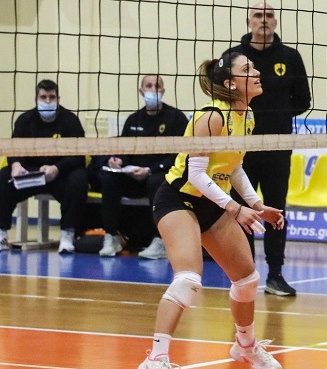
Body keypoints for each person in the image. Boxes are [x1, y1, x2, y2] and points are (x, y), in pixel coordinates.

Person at [137, 51, 285, 369]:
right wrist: (235, 208)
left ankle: (245, 346)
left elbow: (234, 166)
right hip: (179, 200)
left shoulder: (247, 116)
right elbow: (196, 174)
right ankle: (155, 358)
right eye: (247, 69)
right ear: (230, 83)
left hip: (212, 204)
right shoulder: (211, 117)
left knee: (247, 280)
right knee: (188, 280)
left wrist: (256, 204)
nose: (256, 72)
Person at [229, 2, 311, 297]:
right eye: (258, 15)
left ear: (275, 21)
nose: (264, 20)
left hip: (278, 146)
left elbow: (303, 101)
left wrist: (276, 115)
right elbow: (224, 96)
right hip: (242, 148)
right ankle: (245, 273)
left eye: (269, 15)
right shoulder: (233, 57)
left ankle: (275, 275)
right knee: (243, 209)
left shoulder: (290, 57)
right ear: (248, 21)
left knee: (276, 208)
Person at [96, 74, 189, 258]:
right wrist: (118, 160)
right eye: (149, 86)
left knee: (157, 181)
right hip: (134, 175)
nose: (153, 90)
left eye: (157, 86)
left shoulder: (176, 118)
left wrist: (151, 170)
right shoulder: (133, 119)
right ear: (141, 91)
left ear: (163, 90)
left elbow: (181, 154)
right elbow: (124, 150)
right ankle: (112, 236)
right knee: (108, 178)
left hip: (161, 173)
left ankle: (160, 240)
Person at [0, 79, 88, 254]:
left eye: (52, 97)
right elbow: (14, 149)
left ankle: (67, 235)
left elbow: (79, 156)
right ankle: (1, 234)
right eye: (43, 97)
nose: (48, 101)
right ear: (36, 99)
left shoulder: (70, 121)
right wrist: (16, 165)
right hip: (30, 175)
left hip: (60, 174)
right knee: (3, 177)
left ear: (58, 99)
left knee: (79, 178)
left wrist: (57, 168)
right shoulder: (24, 120)